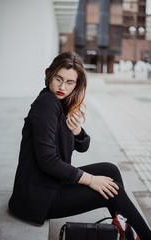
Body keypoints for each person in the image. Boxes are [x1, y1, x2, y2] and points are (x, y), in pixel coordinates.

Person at [8, 51, 151, 240]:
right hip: (38, 197)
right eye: (58, 79)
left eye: (69, 82)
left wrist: (76, 132)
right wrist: (90, 180)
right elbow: (48, 161)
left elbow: (83, 147)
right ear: (49, 74)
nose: (62, 87)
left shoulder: (59, 103)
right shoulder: (47, 104)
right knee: (113, 192)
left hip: (49, 183)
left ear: (76, 84)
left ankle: (124, 228)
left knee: (110, 170)